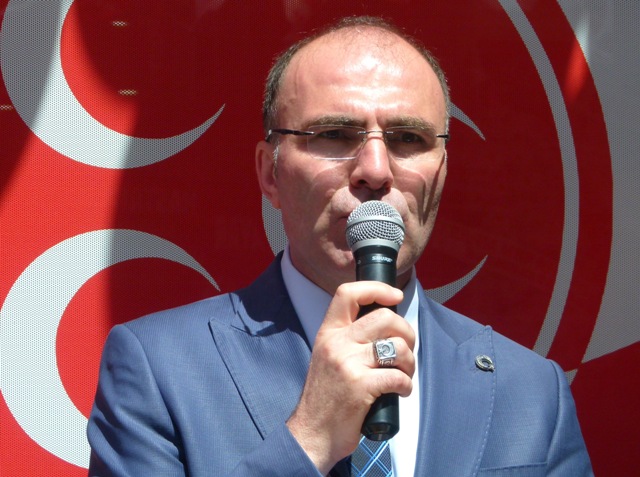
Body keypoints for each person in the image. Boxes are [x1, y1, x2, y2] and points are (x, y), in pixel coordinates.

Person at [87, 16, 593, 477]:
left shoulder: (532, 394)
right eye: (334, 134)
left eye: (408, 139)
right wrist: (309, 438)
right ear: (270, 174)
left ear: (441, 174)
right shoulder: (158, 368)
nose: (375, 170)